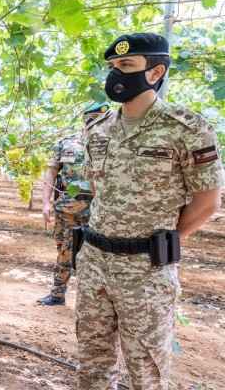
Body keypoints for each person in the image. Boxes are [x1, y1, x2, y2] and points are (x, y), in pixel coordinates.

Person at [76, 33, 224, 389]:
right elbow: (99, 190)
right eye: (113, 67)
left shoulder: (185, 128)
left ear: (155, 73)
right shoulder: (98, 130)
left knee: (146, 370)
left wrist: (166, 240)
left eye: (127, 66)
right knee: (92, 363)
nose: (116, 75)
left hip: (146, 269)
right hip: (95, 261)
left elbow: (207, 203)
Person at [38, 102, 109, 306]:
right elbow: (51, 172)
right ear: (84, 119)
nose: (96, 123)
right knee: (64, 250)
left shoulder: (113, 144)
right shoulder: (66, 143)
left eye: (100, 119)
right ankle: (57, 293)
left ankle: (92, 301)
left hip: (100, 212)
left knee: (97, 255)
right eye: (92, 119)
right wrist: (45, 203)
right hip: (67, 210)